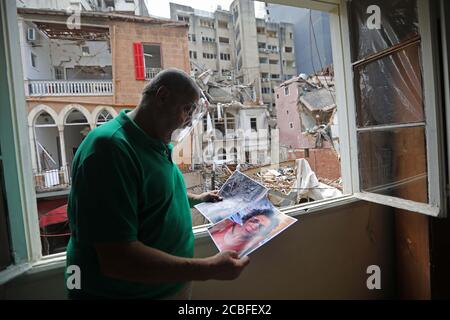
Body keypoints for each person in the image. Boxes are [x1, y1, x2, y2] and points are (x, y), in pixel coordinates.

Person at [65, 68, 250, 299]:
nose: (189, 120)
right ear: (162, 97)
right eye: (187, 109)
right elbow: (118, 259)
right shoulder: (109, 150)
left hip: (164, 288)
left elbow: (150, 196)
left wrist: (195, 200)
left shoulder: (155, 143)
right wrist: (209, 268)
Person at [209, 208, 280, 257]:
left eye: (261, 227)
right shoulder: (226, 223)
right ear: (249, 218)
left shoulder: (252, 248)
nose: (254, 226)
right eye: (255, 220)